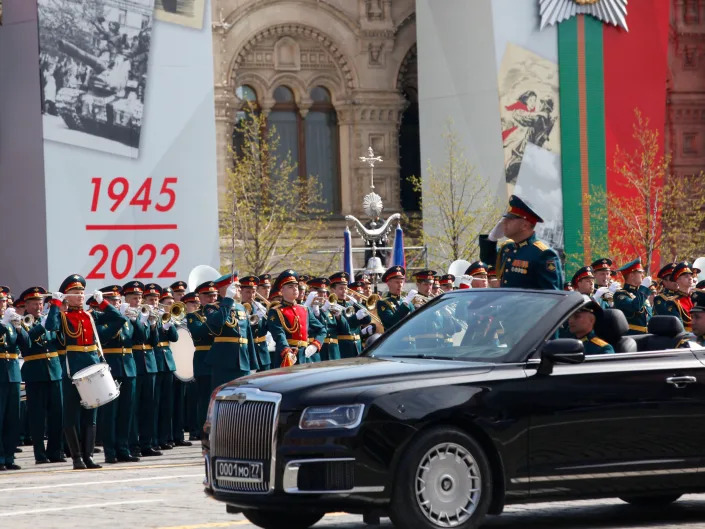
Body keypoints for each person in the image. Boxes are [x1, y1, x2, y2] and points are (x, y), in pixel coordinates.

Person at [45, 274, 125, 470]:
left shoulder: (91, 315)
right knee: (71, 414)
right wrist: (55, 303)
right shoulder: (63, 317)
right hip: (73, 369)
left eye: (81, 292)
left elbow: (119, 319)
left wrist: (102, 302)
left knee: (92, 413)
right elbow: (50, 326)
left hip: (92, 365)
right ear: (66, 296)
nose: (80, 295)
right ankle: (76, 457)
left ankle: (89, 456)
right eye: (75, 292)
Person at [17, 287, 64, 465]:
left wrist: (54, 310)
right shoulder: (21, 322)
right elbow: (27, 342)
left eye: (40, 303)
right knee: (37, 416)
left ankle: (55, 451)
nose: (38, 306)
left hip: (54, 371)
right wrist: (46, 321)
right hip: (35, 373)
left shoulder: (48, 319)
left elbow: (54, 330)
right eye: (34, 303)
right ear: (26, 305)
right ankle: (39, 453)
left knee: (56, 414)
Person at [479, 195, 563, 290]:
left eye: (510, 218)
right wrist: (492, 238)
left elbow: (553, 296)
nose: (504, 222)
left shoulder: (543, 254)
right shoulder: (507, 247)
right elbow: (487, 258)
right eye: (505, 218)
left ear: (525, 225)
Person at [96, 285, 139, 464]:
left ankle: (123, 448)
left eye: (118, 300)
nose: (117, 303)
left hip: (129, 366)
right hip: (111, 367)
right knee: (110, 413)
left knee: (126, 412)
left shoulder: (126, 319)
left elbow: (140, 338)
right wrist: (120, 318)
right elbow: (104, 337)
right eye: (112, 301)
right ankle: (110, 451)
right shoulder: (99, 318)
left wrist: (140, 321)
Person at [123, 281, 159, 458]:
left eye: (139, 298)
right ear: (126, 299)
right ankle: (132, 444)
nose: (137, 302)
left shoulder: (143, 315)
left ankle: (147, 443)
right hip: (134, 362)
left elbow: (152, 341)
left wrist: (153, 325)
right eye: (133, 298)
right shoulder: (127, 315)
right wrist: (138, 321)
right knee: (133, 407)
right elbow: (135, 336)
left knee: (148, 406)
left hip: (149, 363)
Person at [206, 275, 258, 388]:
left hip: (243, 361)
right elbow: (219, 321)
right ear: (224, 289)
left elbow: (248, 336)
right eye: (236, 286)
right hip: (223, 360)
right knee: (223, 394)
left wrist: (253, 363)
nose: (239, 289)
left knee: (243, 395)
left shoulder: (242, 308)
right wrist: (228, 299)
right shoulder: (212, 308)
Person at [267, 270, 326, 366]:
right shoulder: (275, 311)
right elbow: (279, 334)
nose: (295, 289)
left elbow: (322, 329)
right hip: (286, 356)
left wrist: (315, 345)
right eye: (290, 287)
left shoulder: (304, 309)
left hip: (304, 356)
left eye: (296, 286)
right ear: (282, 291)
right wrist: (287, 351)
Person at [186, 281, 218, 440]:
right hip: (203, 359)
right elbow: (199, 332)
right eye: (208, 295)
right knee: (204, 398)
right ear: (200, 298)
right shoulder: (193, 316)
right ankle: (202, 430)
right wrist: (214, 318)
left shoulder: (221, 313)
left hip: (219, 360)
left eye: (214, 295)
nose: (212, 298)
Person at [0, 288, 26, 470]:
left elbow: (27, 344)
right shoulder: (3, 323)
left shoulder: (9, 321)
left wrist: (18, 326)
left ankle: (9, 456)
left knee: (12, 417)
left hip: (13, 373)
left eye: (3, 301)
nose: (3, 304)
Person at [153, 287, 179, 450]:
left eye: (171, 303)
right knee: (155, 403)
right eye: (167, 303)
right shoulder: (153, 315)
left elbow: (174, 338)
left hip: (168, 362)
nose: (170, 306)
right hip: (155, 360)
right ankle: (154, 439)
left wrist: (170, 325)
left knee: (167, 404)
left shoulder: (167, 317)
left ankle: (165, 438)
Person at [329, 272, 371, 359]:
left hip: (357, 345)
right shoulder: (331, 306)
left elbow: (367, 319)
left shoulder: (350, 305)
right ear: (333, 290)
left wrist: (357, 303)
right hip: (343, 347)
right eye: (341, 288)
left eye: (345, 288)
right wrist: (356, 318)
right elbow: (344, 328)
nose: (344, 291)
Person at [613, 258, 653, 335]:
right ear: (631, 275)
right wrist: (643, 288)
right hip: (632, 337)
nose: (643, 275)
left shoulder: (640, 294)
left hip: (648, 337)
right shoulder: (620, 295)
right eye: (640, 272)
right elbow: (635, 306)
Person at [241, 276, 271, 371]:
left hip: (263, 354)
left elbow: (268, 328)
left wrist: (268, 315)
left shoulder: (259, 308)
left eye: (253, 292)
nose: (251, 295)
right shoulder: (237, 309)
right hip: (247, 353)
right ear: (240, 292)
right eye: (248, 292)